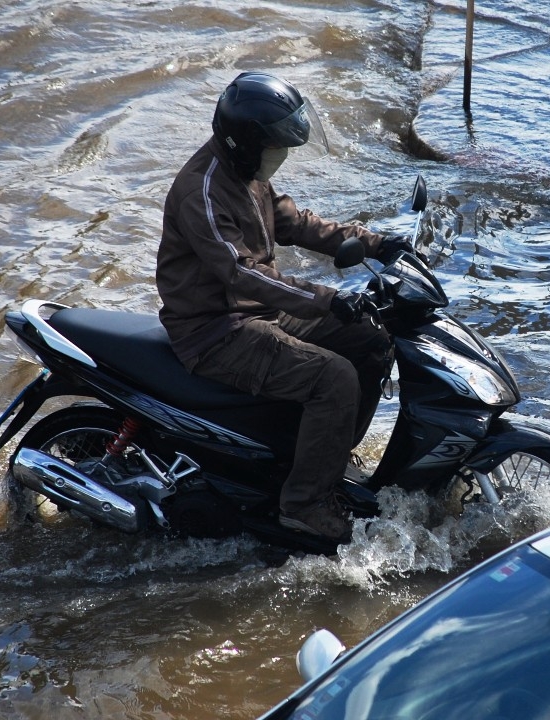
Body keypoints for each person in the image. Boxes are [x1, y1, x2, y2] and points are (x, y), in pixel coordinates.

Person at [155, 71, 412, 543]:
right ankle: (304, 505)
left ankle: (324, 458)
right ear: (245, 143)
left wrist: (377, 243)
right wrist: (327, 299)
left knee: (371, 338)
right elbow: (243, 273)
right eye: (275, 145)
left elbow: (298, 223)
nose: (282, 154)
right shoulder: (202, 193)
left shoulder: (249, 177)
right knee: (334, 377)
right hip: (217, 329)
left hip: (258, 311)